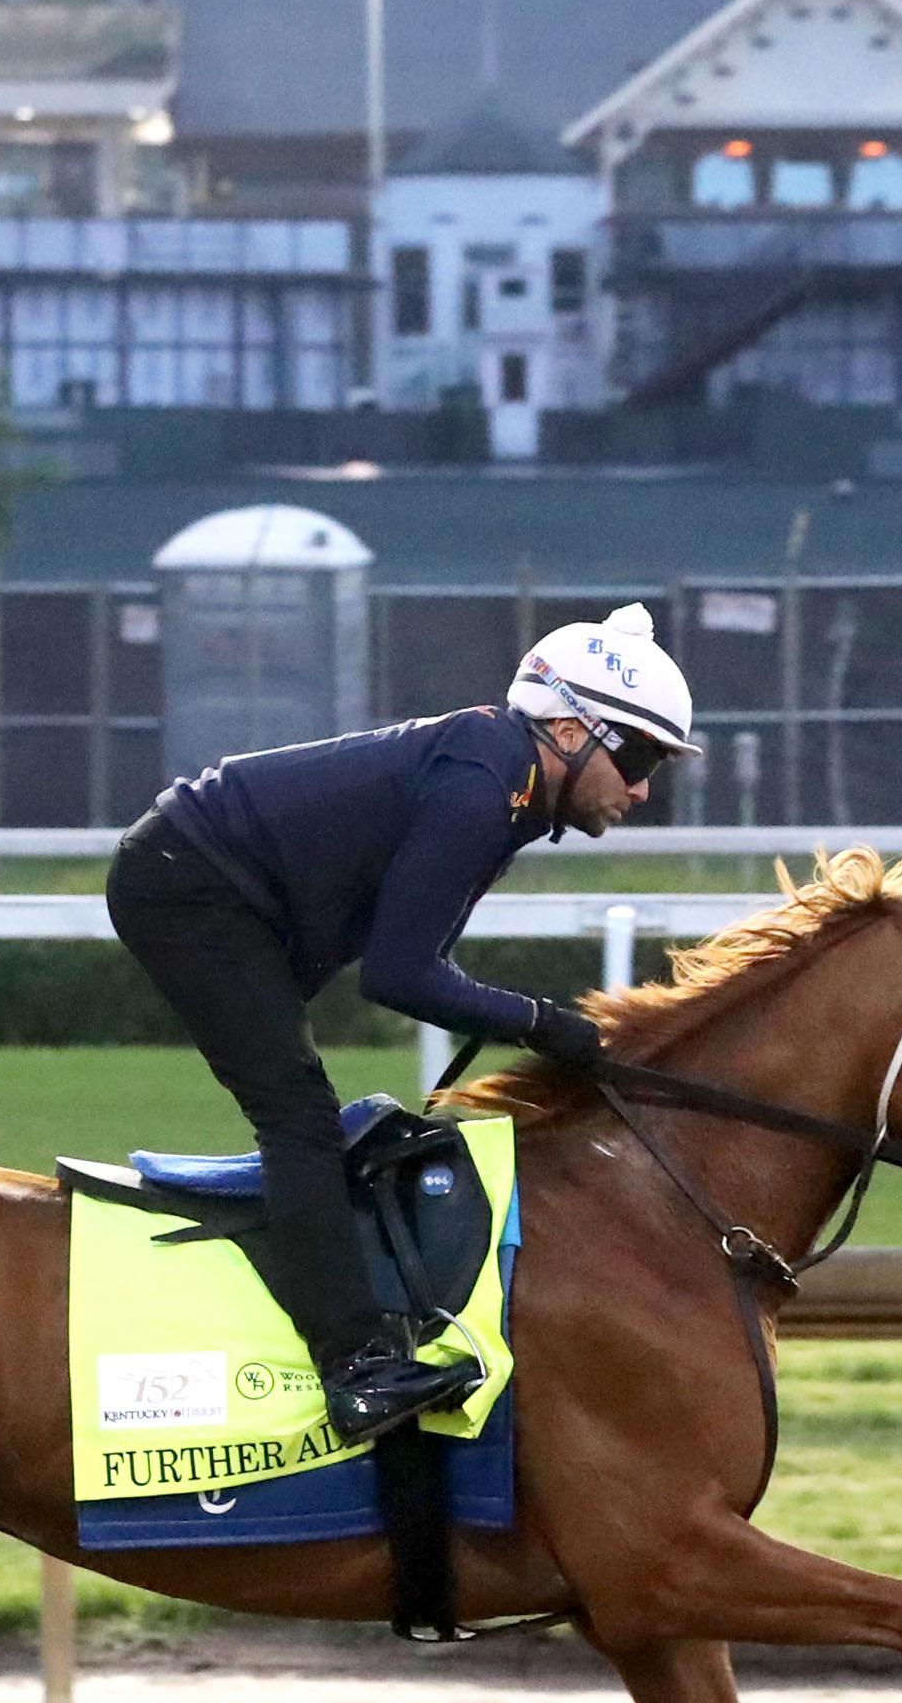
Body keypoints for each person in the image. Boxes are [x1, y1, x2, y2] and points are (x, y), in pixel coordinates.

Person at [107, 604, 699, 1445]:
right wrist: (541, 1023)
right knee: (299, 1120)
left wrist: (532, 1022)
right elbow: (401, 975)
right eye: (636, 755)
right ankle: (354, 1368)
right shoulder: (481, 782)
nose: (641, 788)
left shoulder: (511, 781)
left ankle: (361, 1319)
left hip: (230, 885)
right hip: (190, 883)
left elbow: (416, 960)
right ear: (567, 728)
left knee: (314, 1123)